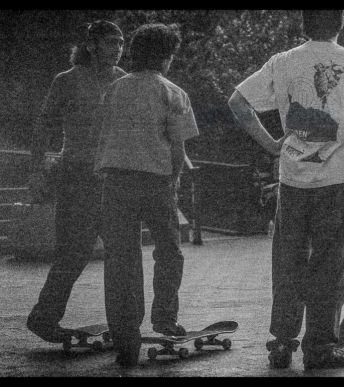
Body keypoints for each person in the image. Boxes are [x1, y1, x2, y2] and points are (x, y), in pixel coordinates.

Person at [228, 10, 344, 369]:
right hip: (337, 179)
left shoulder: (283, 61)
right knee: (331, 263)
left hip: (293, 180)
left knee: (288, 260)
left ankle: (282, 342)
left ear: (304, 25)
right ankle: (319, 346)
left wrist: (272, 143)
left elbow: (238, 101)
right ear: (340, 25)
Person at [95, 23, 197, 367]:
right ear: (166, 57)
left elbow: (105, 134)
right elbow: (177, 148)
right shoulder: (173, 92)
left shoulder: (114, 89)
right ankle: (164, 319)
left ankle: (126, 336)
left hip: (116, 181)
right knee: (169, 252)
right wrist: (175, 180)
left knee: (121, 258)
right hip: (156, 183)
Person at [24, 20, 127, 345]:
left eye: (121, 43)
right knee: (74, 251)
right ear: (92, 45)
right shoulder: (67, 81)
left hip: (111, 176)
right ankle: (43, 317)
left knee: (121, 251)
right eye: (111, 42)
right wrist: (36, 169)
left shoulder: (123, 80)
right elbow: (44, 125)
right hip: (76, 175)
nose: (118, 48)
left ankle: (125, 321)